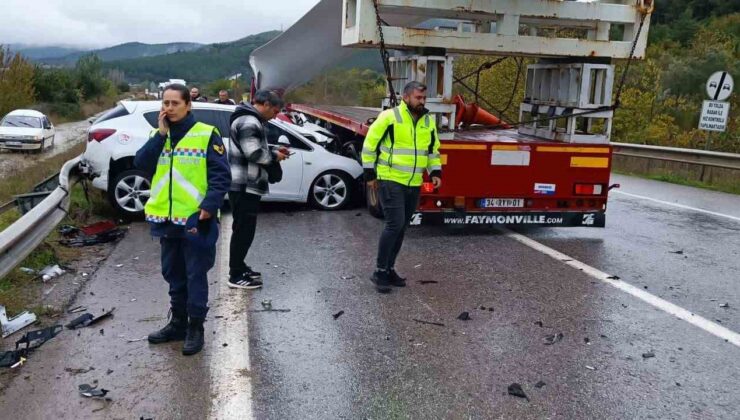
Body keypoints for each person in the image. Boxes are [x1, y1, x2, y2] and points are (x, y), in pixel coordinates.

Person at [134, 84, 231, 355]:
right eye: (165, 103)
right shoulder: (159, 135)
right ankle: (177, 323)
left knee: (195, 275)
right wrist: (160, 135)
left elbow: (221, 176)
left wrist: (209, 206)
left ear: (189, 105)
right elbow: (141, 164)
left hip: (195, 220)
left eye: (175, 103)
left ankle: (195, 327)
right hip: (166, 220)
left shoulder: (205, 134)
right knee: (173, 274)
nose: (169, 108)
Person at [361, 81, 442, 293]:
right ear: (406, 97)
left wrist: (435, 172)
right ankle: (380, 271)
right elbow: (370, 145)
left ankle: (389, 268)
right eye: (418, 98)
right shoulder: (390, 117)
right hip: (390, 179)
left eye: (424, 98)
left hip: (413, 182)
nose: (422, 102)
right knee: (394, 225)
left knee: (402, 227)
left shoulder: (427, 121)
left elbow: (432, 150)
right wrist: (370, 174)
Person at [227, 90, 289, 289]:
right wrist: (275, 158)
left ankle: (240, 265)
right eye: (276, 111)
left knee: (245, 229)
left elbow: (254, 148)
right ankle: (235, 274)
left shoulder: (251, 120)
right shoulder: (249, 121)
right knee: (243, 230)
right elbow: (253, 153)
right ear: (267, 105)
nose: (276, 116)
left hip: (247, 184)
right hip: (245, 184)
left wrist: (273, 151)